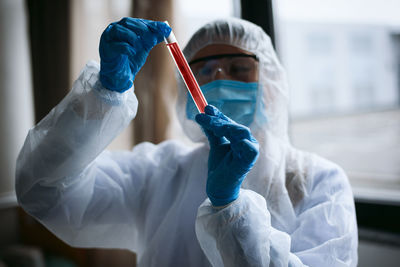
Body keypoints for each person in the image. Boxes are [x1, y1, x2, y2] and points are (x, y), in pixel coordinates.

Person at [16, 17, 358, 266]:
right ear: (186, 91)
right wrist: (103, 96)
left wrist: (230, 207)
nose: (219, 77)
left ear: (271, 85)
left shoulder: (318, 180)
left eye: (239, 68)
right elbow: (45, 190)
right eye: (204, 70)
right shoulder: (159, 169)